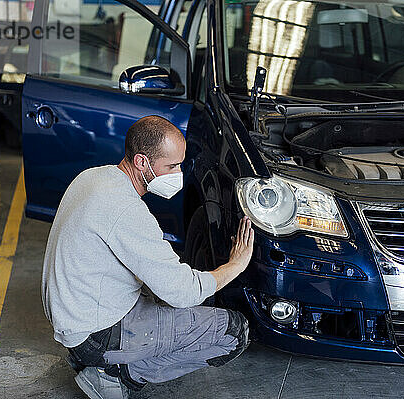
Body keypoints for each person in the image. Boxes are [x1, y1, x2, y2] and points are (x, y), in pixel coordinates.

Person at [41, 115, 254, 399]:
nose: (178, 174)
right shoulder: (125, 210)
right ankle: (117, 373)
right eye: (172, 166)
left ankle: (100, 360)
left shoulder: (93, 176)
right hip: (95, 334)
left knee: (163, 295)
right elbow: (182, 292)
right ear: (141, 162)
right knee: (233, 332)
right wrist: (235, 265)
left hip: (73, 318)